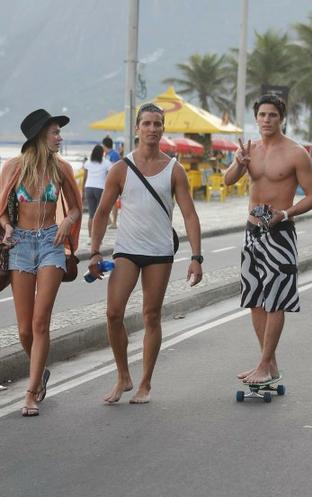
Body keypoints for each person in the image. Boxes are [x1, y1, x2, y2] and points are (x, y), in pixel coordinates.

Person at [89, 102, 203, 404]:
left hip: (159, 253)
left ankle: (145, 384)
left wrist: (196, 257)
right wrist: (94, 253)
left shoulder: (174, 170)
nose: (152, 129)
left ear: (163, 128)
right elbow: (101, 213)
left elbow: (190, 215)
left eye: (157, 124)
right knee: (113, 314)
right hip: (126, 250)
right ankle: (123, 376)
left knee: (151, 315)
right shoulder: (120, 169)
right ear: (138, 128)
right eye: (147, 124)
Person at [224, 93, 312, 384]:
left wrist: (286, 214)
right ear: (256, 118)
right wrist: (239, 163)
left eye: (272, 115)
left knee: (275, 300)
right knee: (255, 298)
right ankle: (269, 364)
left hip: (279, 234)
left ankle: (264, 365)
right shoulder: (249, 149)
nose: (266, 120)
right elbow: (229, 180)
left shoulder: (295, 153)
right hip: (251, 232)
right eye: (262, 115)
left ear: (282, 118)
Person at [0, 109, 82, 416]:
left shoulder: (61, 169)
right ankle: (40, 371)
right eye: (55, 132)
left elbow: (75, 207)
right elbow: (2, 208)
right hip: (20, 244)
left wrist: (67, 222)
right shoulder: (13, 167)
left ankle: (31, 391)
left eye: (59, 132)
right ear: (39, 136)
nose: (60, 137)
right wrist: (7, 227)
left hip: (51, 243)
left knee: (39, 322)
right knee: (23, 329)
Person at [82, 144, 112, 241]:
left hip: (89, 188)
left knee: (91, 215)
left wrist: (83, 191)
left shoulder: (87, 162)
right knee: (100, 215)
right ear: (102, 153)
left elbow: (85, 178)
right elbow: (110, 177)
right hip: (100, 188)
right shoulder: (106, 163)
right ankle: (98, 238)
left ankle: (90, 238)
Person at [102, 136, 121, 229]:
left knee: (114, 202)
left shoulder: (114, 155)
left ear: (104, 145)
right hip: (106, 181)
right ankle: (109, 221)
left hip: (114, 181)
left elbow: (115, 168)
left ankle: (114, 222)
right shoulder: (107, 154)